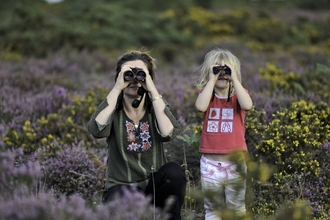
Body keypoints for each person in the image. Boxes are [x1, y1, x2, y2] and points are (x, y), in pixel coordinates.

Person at [87, 50, 186, 220]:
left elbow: (168, 132)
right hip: (121, 188)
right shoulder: (113, 109)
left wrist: (153, 92)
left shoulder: (155, 107)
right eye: (128, 74)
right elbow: (96, 128)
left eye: (140, 74)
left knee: (174, 172)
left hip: (154, 186)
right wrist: (118, 88)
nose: (134, 79)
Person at [195, 48, 253, 219]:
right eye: (217, 69)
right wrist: (211, 81)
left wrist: (234, 78)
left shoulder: (239, 96)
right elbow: (200, 107)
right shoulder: (206, 96)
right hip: (210, 165)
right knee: (213, 209)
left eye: (226, 70)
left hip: (235, 163)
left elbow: (247, 105)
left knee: (237, 209)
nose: (222, 73)